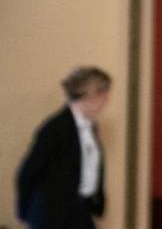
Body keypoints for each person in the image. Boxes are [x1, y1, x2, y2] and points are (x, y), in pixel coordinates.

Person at [16, 66, 111, 229]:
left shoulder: (90, 127)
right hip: (53, 217)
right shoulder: (56, 128)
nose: (106, 99)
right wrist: (28, 212)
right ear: (89, 94)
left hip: (80, 213)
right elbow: (27, 172)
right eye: (103, 93)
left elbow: (89, 169)